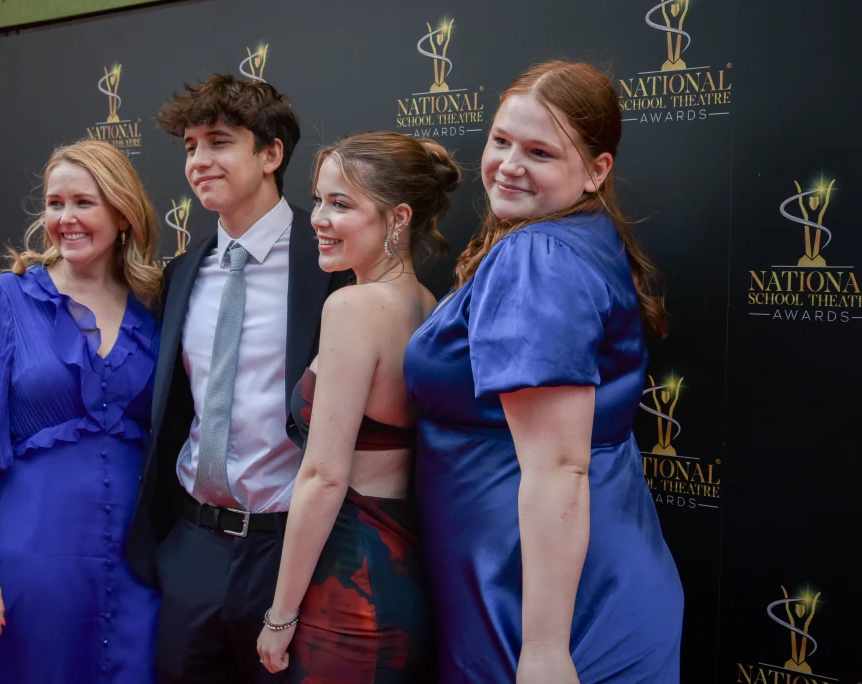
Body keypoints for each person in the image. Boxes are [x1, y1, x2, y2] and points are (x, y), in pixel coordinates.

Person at [403, 60, 684, 683]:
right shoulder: (574, 232)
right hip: (562, 574)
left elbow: (558, 466)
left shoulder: (540, 254)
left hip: (546, 603)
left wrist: (546, 649)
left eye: (540, 152)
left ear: (596, 171)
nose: (508, 164)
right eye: (501, 140)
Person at [125, 73, 349, 684]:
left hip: (293, 551)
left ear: (271, 154)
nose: (198, 161)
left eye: (219, 142)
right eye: (190, 147)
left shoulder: (330, 263)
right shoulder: (184, 273)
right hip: (192, 544)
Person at [0, 139, 162, 683]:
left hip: (137, 566)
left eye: (83, 203)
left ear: (123, 214)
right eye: (55, 204)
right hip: (33, 559)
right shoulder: (5, 299)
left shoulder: (155, 309)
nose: (65, 218)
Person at [255, 131, 457, 682]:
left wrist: (280, 616)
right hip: (401, 568)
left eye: (341, 204)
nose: (319, 218)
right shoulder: (426, 304)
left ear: (398, 219)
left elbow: (323, 477)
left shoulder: (353, 306)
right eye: (319, 200)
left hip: (350, 581)